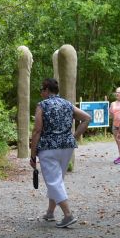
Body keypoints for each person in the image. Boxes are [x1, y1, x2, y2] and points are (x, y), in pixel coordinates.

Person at [30, 78, 91, 228]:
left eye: (41, 90)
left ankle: (68, 215)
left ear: (46, 90)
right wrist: (73, 136)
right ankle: (50, 212)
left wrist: (32, 154)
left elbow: (37, 130)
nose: (41, 93)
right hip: (67, 147)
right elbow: (86, 118)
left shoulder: (42, 106)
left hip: (48, 147)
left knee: (53, 181)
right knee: (57, 179)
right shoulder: (67, 104)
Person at [109, 87, 120, 165]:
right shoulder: (113, 103)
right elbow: (111, 114)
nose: (117, 93)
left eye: (119, 92)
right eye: (116, 92)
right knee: (117, 141)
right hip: (115, 125)